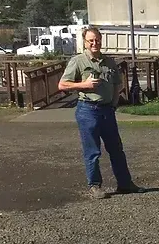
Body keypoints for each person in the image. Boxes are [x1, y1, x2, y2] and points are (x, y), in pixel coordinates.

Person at [58, 26, 144, 200]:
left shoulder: (109, 62)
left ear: (101, 40)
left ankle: (125, 183)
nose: (94, 43)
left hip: (107, 110)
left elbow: (117, 85)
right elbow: (62, 85)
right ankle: (95, 186)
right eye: (91, 40)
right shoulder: (78, 61)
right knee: (93, 151)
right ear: (85, 42)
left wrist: (113, 104)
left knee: (116, 149)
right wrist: (84, 85)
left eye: (97, 40)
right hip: (88, 110)